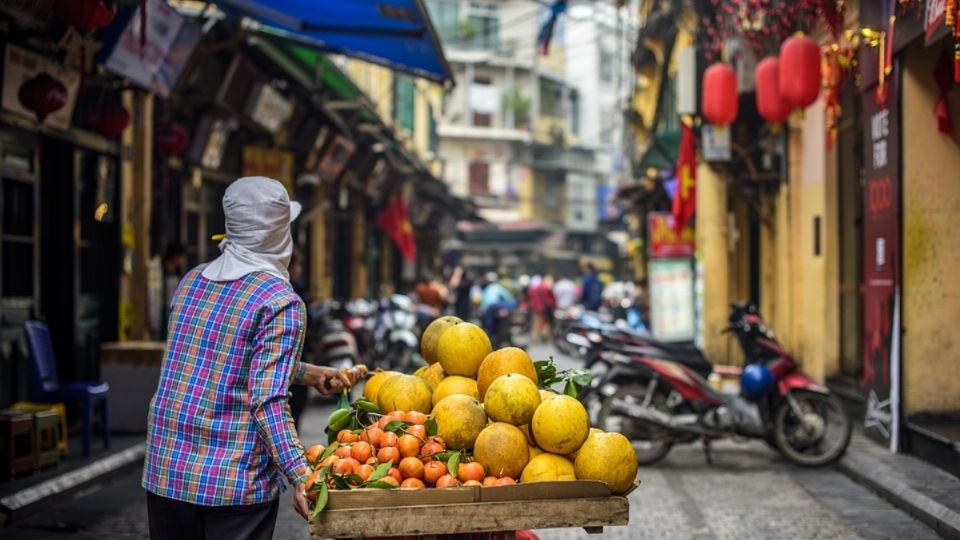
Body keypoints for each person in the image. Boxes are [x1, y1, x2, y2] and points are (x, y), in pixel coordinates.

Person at [143, 177, 362, 540]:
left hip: (168, 471)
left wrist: (307, 374)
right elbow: (267, 399)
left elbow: (220, 360)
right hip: (232, 480)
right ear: (281, 235)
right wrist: (301, 474)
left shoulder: (193, 280)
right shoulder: (279, 301)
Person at [288, 247, 310, 429]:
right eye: (298, 264)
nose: (300, 269)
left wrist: (314, 374)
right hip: (297, 356)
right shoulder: (289, 297)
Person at [479, 272, 516, 337]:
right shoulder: (497, 287)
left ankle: (491, 336)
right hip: (495, 306)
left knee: (489, 325)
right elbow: (509, 298)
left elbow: (482, 303)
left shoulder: (486, 289)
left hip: (488, 309)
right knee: (513, 302)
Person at [528, 275, 556, 343]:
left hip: (535, 308)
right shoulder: (547, 288)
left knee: (536, 323)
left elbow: (530, 297)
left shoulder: (535, 288)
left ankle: (535, 337)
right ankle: (544, 336)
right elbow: (550, 299)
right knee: (546, 323)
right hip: (544, 308)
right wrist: (554, 306)